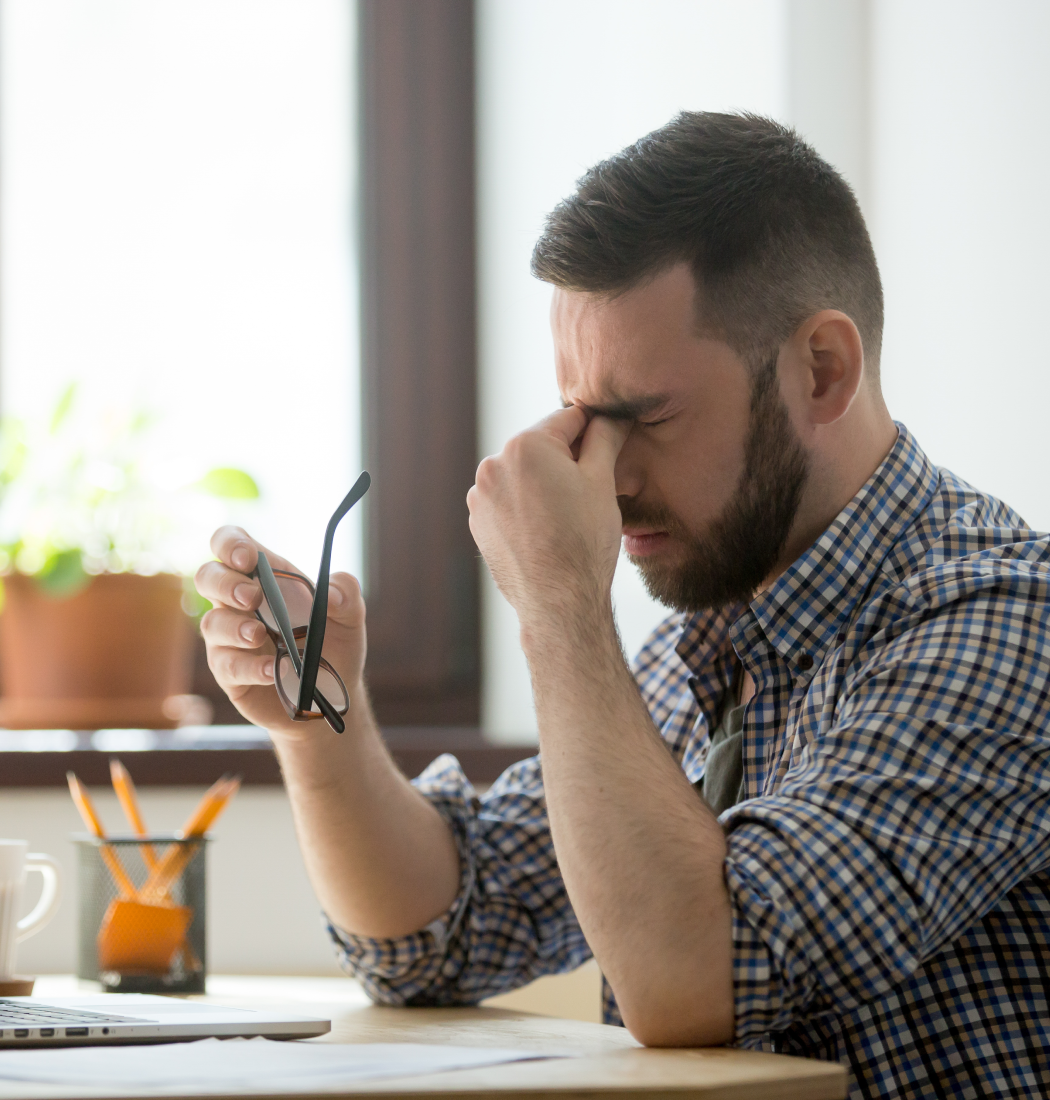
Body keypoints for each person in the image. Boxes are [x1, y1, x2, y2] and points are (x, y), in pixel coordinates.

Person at [195, 113, 1050, 1099]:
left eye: (643, 416)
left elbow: (700, 975)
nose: (600, 476)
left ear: (823, 370)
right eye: (581, 419)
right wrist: (319, 717)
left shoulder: (1002, 621)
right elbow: (436, 932)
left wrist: (559, 600)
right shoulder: (708, 642)